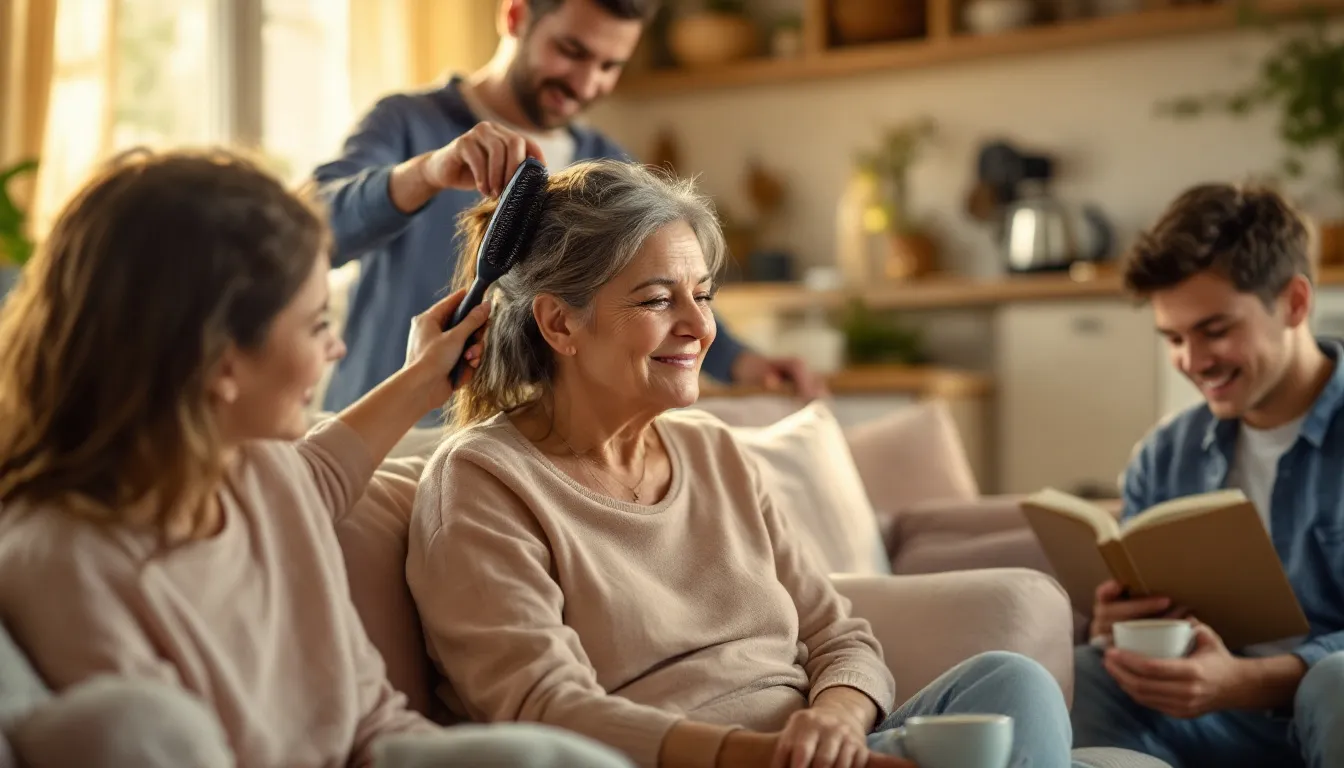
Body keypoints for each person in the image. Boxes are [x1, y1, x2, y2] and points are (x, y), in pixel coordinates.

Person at [405, 158, 1078, 768]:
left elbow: (838, 634)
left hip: (818, 755)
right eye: (658, 299)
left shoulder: (714, 450)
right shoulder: (481, 482)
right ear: (558, 324)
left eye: (703, 294)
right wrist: (754, 756)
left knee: (1011, 681)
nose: (700, 328)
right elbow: (544, 707)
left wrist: (835, 722)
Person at [0, 149, 634, 768]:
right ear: (222, 364)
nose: (335, 350)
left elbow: (327, 471)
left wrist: (423, 376)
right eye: (315, 325)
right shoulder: (63, 564)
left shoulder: (259, 476)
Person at [310, 0, 821, 421]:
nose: (585, 83)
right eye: (571, 51)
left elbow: (663, 292)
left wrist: (746, 364)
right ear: (514, 16)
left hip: (508, 449)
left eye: (609, 66)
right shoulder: (407, 123)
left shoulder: (608, 165)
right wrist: (426, 173)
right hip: (380, 439)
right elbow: (312, 234)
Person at [1071, 183, 1344, 767]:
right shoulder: (1165, 455)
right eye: (1173, 338)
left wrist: (1246, 680)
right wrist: (1123, 630)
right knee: (1086, 670)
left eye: (1215, 331)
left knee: (1338, 682)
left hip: (1327, 707)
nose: (1193, 363)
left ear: (1294, 303)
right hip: (1213, 726)